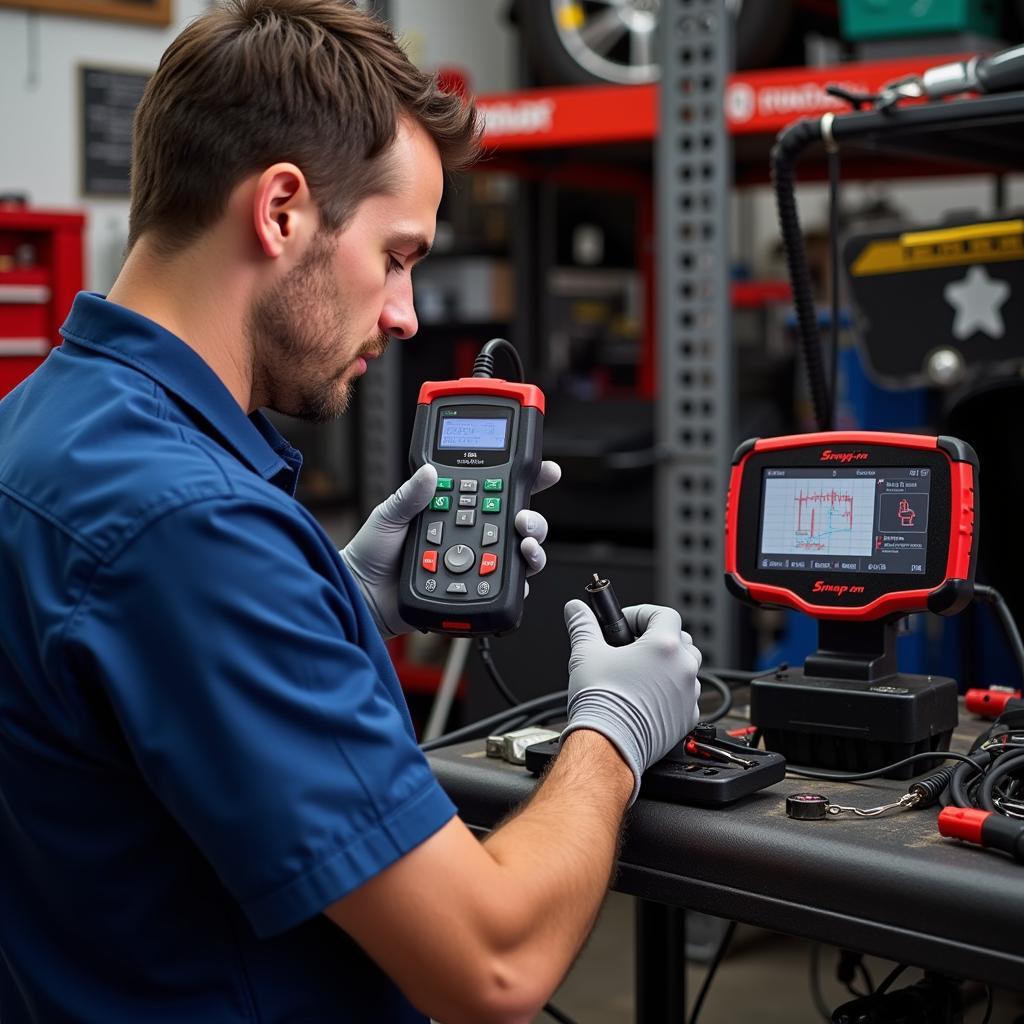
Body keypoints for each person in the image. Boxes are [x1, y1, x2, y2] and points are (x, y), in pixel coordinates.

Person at [0, 1, 702, 1021]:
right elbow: (493, 964)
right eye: (398, 255)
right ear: (282, 209)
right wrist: (613, 726)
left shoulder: (36, 428)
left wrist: (328, 594)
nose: (407, 313)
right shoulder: (192, 529)